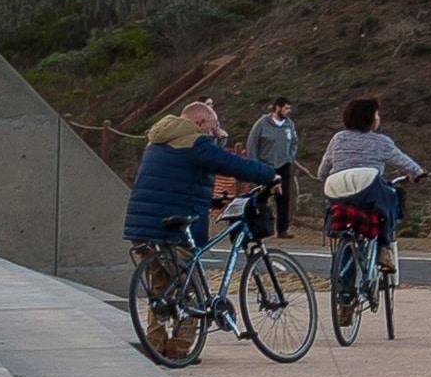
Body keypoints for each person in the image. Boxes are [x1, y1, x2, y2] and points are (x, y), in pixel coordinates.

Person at [121, 104, 282, 318]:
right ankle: (181, 349)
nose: (213, 132)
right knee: (190, 295)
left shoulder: (157, 141)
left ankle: (157, 346)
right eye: (212, 127)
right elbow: (231, 163)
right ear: (199, 123)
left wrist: (213, 201)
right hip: (173, 230)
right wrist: (270, 175)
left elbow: (174, 183)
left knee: (162, 294)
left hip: (143, 228)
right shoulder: (195, 143)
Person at [318, 97, 427, 276]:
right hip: (367, 192)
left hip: (338, 193)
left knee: (346, 229)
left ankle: (344, 294)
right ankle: (384, 246)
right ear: (369, 118)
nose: (378, 118)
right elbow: (405, 162)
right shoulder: (381, 142)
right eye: (377, 114)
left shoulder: (337, 139)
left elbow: (322, 171)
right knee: (392, 196)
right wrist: (418, 173)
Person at [242, 98, 302, 241]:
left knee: (284, 197)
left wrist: (290, 157)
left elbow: (294, 142)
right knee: (262, 196)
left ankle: (282, 229)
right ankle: (257, 227)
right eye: (286, 108)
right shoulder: (262, 124)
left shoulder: (289, 125)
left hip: (283, 165)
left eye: (289, 108)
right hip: (266, 165)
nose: (288, 111)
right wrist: (255, 163)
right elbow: (252, 143)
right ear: (277, 108)